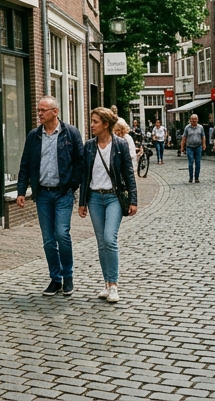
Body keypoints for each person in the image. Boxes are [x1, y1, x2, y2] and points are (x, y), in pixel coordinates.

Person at [15, 95, 86, 296]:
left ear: (55, 112)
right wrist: (22, 190)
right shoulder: (34, 136)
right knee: (48, 240)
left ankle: (68, 276)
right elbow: (25, 164)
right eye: (38, 110)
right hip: (43, 194)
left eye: (43, 110)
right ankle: (55, 279)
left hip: (63, 193)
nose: (39, 114)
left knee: (62, 234)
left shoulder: (70, 133)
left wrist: (72, 185)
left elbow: (80, 162)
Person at [77, 107, 138, 303]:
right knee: (102, 242)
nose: (91, 125)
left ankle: (114, 285)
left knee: (110, 239)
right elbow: (84, 176)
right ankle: (106, 283)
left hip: (113, 198)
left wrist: (134, 200)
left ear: (106, 124)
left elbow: (128, 174)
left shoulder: (119, 145)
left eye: (95, 122)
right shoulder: (88, 146)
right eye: (91, 121)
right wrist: (82, 202)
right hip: (95, 198)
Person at [181, 113, 207, 183]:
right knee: (190, 163)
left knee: (198, 163)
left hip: (198, 147)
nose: (194, 120)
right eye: (192, 119)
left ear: (197, 120)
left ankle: (197, 178)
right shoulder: (187, 127)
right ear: (190, 120)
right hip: (189, 147)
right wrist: (182, 147)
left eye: (195, 119)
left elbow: (203, 136)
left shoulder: (200, 127)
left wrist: (204, 144)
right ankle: (191, 177)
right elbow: (184, 137)